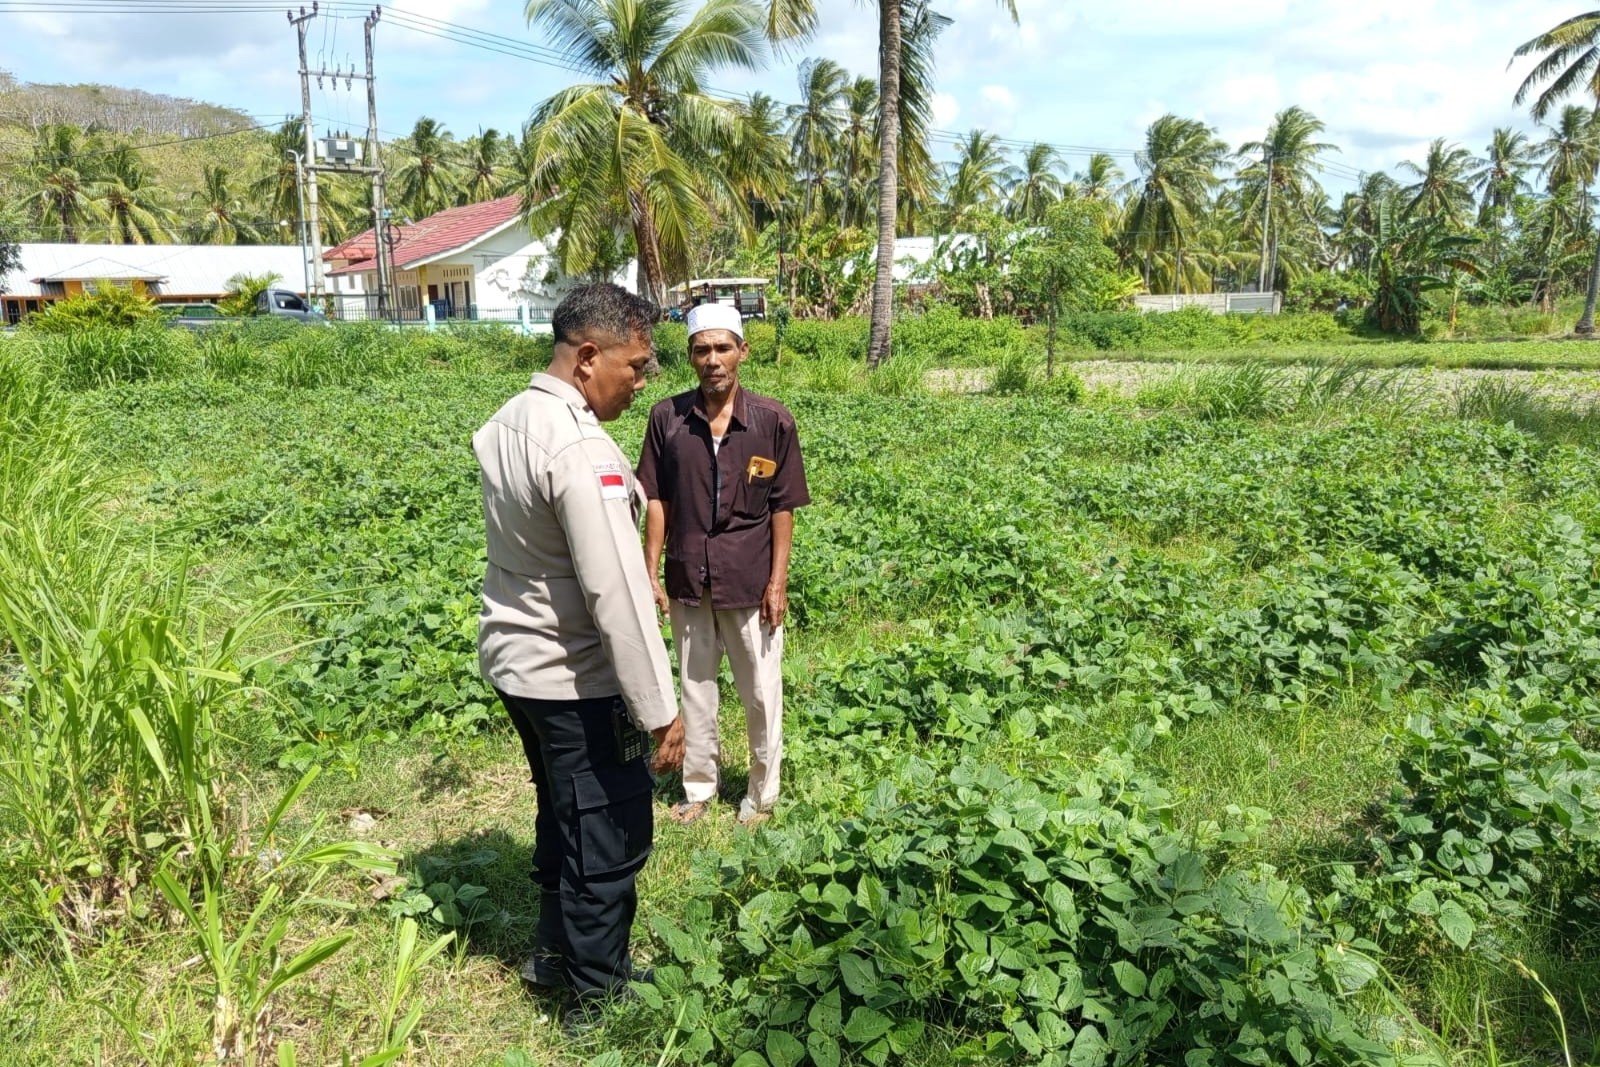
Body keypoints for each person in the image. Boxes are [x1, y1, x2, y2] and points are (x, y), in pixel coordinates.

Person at [472, 283, 686, 1016]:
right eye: (636, 364)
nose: (642, 380)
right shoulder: (578, 443)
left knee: (563, 812)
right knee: (605, 829)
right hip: (572, 675)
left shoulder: (510, 419)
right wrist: (660, 710)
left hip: (518, 662)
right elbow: (617, 592)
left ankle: (553, 954)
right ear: (589, 356)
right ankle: (597, 997)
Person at [637, 303, 810, 827]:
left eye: (722, 347)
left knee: (760, 688)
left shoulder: (772, 420)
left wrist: (777, 581)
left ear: (742, 352)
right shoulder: (667, 419)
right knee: (695, 684)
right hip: (689, 574)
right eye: (701, 349)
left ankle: (761, 795)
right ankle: (699, 785)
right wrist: (650, 572)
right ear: (689, 357)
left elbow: (783, 504)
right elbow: (658, 500)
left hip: (750, 577)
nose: (712, 359)